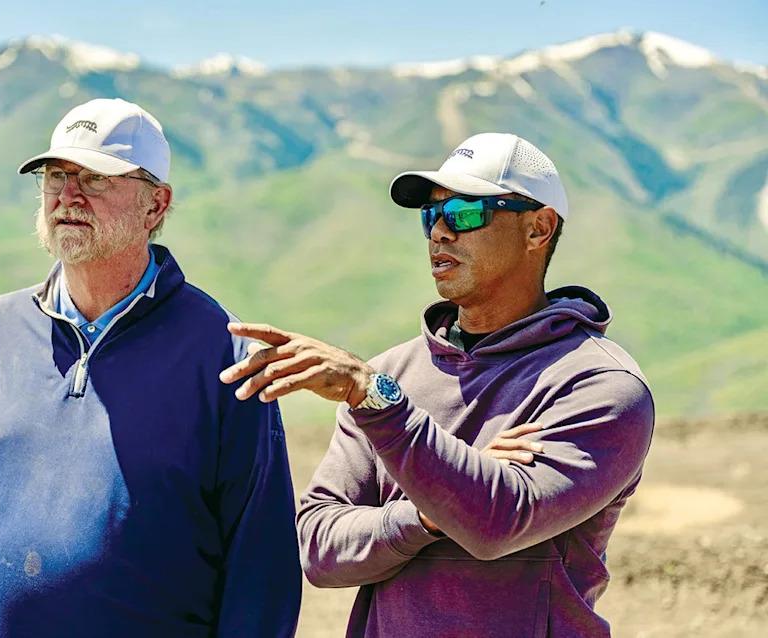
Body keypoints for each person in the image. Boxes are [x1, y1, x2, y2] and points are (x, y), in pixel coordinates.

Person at [221, 132, 654, 637]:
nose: (440, 233)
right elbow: (319, 549)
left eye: (465, 213)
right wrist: (426, 514)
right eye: (431, 216)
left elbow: (497, 521)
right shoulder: (394, 371)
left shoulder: (599, 385)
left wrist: (378, 403)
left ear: (538, 228)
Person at [0, 98, 301, 637]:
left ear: (155, 205)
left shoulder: (222, 354)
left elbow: (262, 571)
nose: (68, 195)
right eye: (56, 176)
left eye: (94, 178)